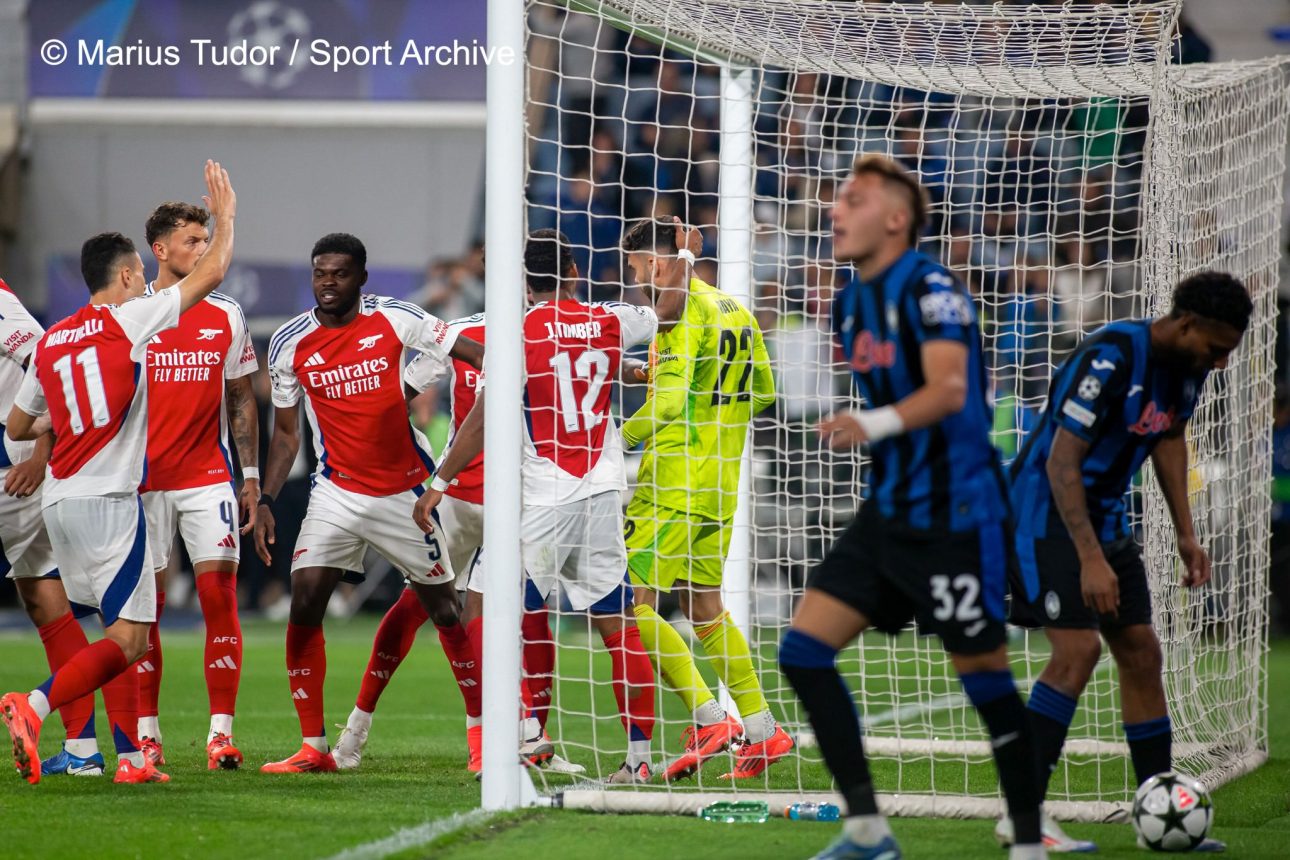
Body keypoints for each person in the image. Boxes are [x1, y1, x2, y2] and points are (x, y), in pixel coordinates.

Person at [776, 154, 1045, 860]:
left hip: (956, 517)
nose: (835, 210)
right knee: (803, 653)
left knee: (986, 684)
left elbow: (950, 390)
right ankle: (867, 830)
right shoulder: (847, 300)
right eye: (836, 198)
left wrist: (872, 424)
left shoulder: (931, 288)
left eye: (854, 199)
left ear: (896, 219)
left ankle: (1027, 844)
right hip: (888, 513)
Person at [1, 159, 237, 785]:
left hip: (59, 502)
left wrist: (65, 420)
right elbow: (211, 272)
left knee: (111, 629)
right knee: (131, 639)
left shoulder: (52, 340)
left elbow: (20, 427)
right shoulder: (130, 318)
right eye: (138, 277)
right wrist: (228, 215)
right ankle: (36, 704)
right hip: (111, 498)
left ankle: (130, 759)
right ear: (131, 274)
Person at [1006, 271, 1251, 854]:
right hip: (1045, 515)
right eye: (1216, 348)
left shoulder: (1188, 369)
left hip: (1106, 519)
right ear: (1185, 323)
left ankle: (1157, 810)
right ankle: (1022, 819)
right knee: (1079, 649)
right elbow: (1061, 463)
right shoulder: (1113, 356)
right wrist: (1090, 560)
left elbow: (1169, 438)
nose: (1220, 363)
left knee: (1141, 651)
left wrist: (1187, 534)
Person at [413, 228, 660, 783]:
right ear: (573, 270)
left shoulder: (517, 333)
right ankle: (639, 761)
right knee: (619, 628)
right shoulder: (615, 319)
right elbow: (660, 312)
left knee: (497, 613)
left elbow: (481, 419)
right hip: (601, 489)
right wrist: (681, 262)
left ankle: (521, 736)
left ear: (524, 280)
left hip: (541, 497)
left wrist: (439, 482)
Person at [254, 233, 485, 774]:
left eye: (338, 273)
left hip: (404, 492)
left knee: (445, 611)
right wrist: (265, 497)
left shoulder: (397, 318)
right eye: (319, 273)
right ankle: (314, 746)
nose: (327, 283)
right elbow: (287, 435)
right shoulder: (289, 341)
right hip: (335, 491)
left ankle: (480, 739)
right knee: (304, 601)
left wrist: (484, 386)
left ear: (361, 277)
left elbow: (469, 352)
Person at [332, 324, 581, 775]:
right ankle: (520, 738)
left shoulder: (466, 332)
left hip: (485, 499)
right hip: (487, 500)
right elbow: (397, 394)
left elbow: (398, 393)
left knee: (428, 607)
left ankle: (356, 736)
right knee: (511, 609)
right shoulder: (540, 334)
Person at [618, 217, 790, 782]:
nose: (637, 283)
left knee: (627, 602)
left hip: (673, 479)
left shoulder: (676, 315)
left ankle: (709, 717)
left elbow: (666, 409)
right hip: (720, 482)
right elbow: (763, 389)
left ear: (658, 263)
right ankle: (764, 733)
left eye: (637, 269)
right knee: (704, 606)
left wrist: (611, 444)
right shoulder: (734, 309)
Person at [135, 201, 260, 770]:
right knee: (146, 611)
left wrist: (251, 477)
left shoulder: (227, 314)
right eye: (191, 241)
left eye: (207, 239)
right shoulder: (132, 314)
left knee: (218, 597)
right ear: (158, 250)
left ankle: (220, 735)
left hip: (208, 476)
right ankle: (147, 734)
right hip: (142, 484)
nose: (203, 249)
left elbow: (241, 398)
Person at [0, 277, 103, 777]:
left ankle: (86, 747)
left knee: (49, 598)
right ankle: (83, 751)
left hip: (11, 472)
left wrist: (41, 455)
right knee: (43, 599)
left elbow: (49, 366)